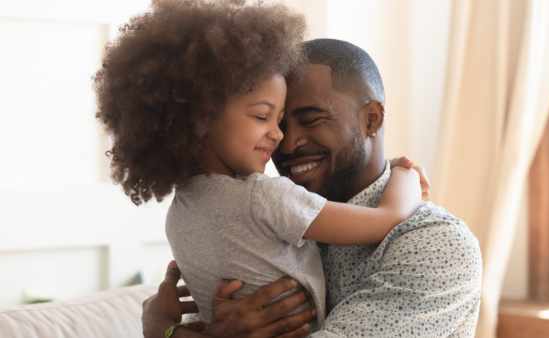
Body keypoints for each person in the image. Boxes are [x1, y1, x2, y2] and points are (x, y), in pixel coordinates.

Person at [95, 1, 428, 336]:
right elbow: (387, 219)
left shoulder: (179, 215)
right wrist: (406, 174)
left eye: (278, 119)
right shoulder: (265, 197)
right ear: (202, 118)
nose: (280, 135)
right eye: (261, 116)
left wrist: (164, 329)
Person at [142, 38, 482, 338]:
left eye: (311, 119)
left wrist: (163, 333)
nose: (285, 143)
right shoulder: (254, 219)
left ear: (372, 119)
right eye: (274, 121)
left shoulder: (434, 242)